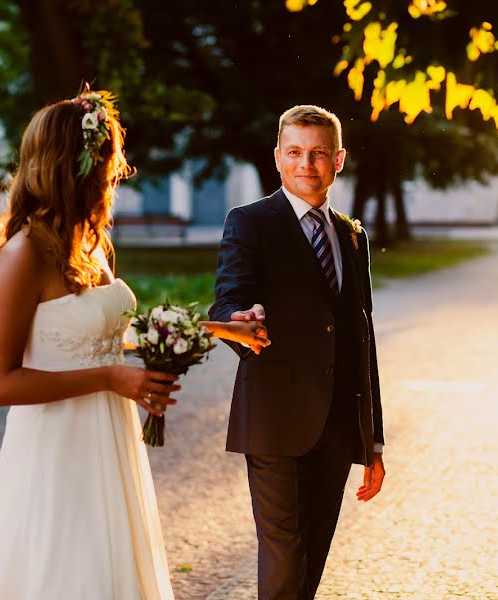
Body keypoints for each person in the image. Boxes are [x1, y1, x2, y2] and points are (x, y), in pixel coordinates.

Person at [0, 91, 269, 600]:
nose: (114, 176)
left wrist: (224, 328)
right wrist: (113, 378)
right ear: (68, 167)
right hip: (55, 447)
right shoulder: (24, 254)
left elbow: (112, 330)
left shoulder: (87, 245)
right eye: (105, 165)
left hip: (108, 437)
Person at [209, 104, 385, 599]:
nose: (307, 163)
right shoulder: (249, 223)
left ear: (338, 160)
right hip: (274, 417)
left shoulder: (353, 237)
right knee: (284, 553)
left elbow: (361, 337)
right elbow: (229, 298)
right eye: (295, 153)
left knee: (312, 556)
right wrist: (240, 321)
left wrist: (371, 440)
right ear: (278, 159)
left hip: (335, 425)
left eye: (318, 153)